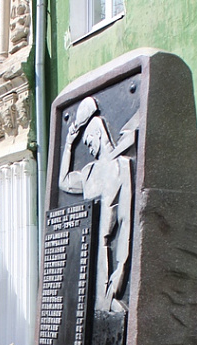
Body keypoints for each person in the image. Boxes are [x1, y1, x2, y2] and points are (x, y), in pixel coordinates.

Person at [58, 95, 136, 312]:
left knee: (112, 313)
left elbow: (126, 220)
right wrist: (68, 145)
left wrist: (122, 267)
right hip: (87, 260)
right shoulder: (89, 172)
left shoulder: (121, 166)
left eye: (88, 141)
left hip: (106, 258)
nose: (88, 147)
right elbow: (63, 182)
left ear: (98, 136)